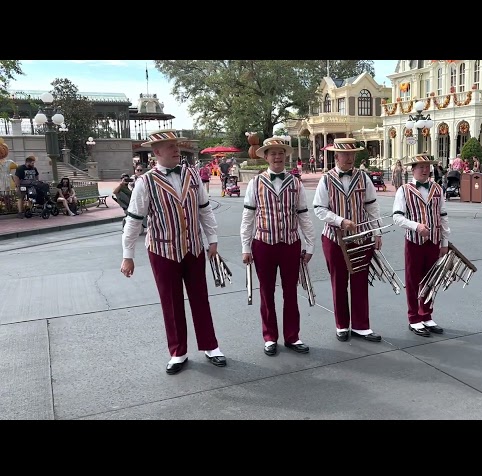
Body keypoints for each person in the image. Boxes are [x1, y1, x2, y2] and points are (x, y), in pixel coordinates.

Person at [120, 129, 227, 374]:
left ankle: (211, 346)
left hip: (193, 247)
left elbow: (204, 210)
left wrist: (212, 239)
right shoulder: (145, 182)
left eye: (176, 145)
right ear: (157, 152)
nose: (176, 149)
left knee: (200, 298)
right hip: (162, 250)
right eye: (170, 146)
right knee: (171, 302)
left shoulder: (191, 174)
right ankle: (178, 352)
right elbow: (134, 220)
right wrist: (128, 255)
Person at [240, 137, 316, 356]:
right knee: (266, 292)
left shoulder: (295, 183)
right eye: (272, 153)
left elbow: (303, 215)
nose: (277, 157)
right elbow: (248, 216)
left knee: (291, 291)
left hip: (290, 243)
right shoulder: (255, 183)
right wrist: (245, 246)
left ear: (286, 155)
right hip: (263, 243)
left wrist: (310, 245)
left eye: (280, 153)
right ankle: (270, 337)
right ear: (265, 156)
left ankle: (293, 336)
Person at [313, 137, 383, 343]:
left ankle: (362, 326)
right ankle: (342, 325)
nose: (350, 158)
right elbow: (319, 209)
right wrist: (340, 221)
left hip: (361, 237)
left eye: (353, 154)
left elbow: (372, 206)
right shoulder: (326, 179)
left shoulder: (363, 177)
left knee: (360, 281)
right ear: (337, 156)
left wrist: (377, 232)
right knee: (339, 281)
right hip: (335, 238)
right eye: (345, 154)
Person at [393, 154, 450, 336]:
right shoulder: (404, 190)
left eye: (427, 167)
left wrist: (445, 242)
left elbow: (443, 216)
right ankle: (414, 317)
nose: (425, 170)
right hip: (414, 241)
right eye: (421, 167)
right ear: (413, 169)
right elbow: (397, 217)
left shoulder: (437, 189)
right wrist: (416, 226)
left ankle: (426, 315)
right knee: (412, 280)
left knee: (431, 279)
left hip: (433, 241)